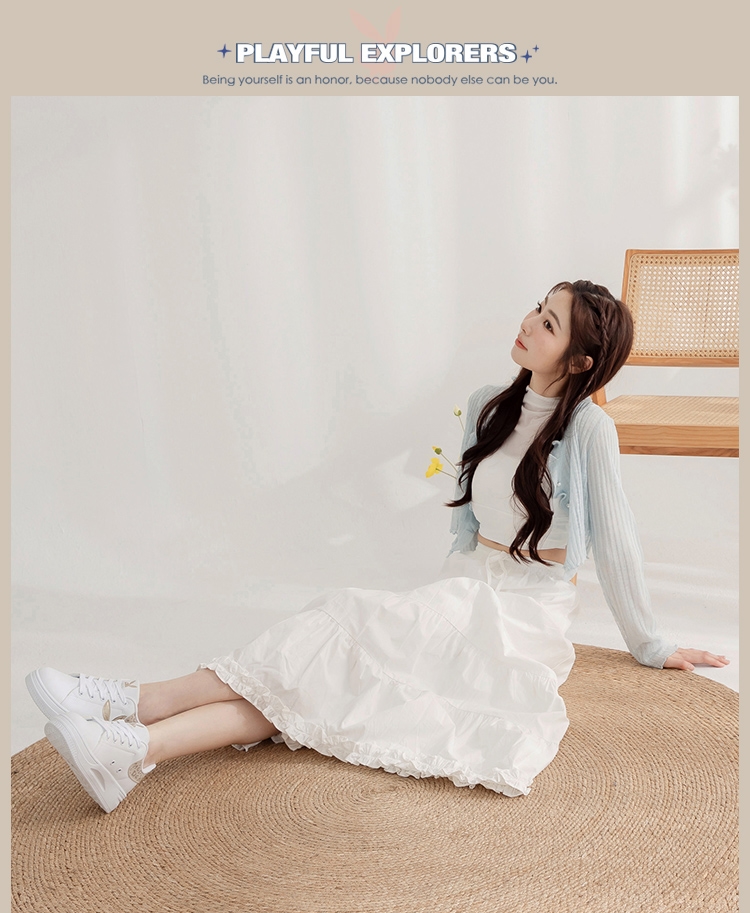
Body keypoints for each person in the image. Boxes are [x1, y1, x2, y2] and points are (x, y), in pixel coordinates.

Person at [26, 280, 729, 814]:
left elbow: (618, 541)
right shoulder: (489, 403)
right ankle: (135, 746)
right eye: (536, 308)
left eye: (548, 323)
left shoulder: (589, 433)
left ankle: (127, 704)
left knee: (332, 631)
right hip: (463, 589)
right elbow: (466, 523)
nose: (527, 323)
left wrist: (650, 642)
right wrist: (436, 599)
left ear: (579, 359)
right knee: (314, 680)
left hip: (519, 614)